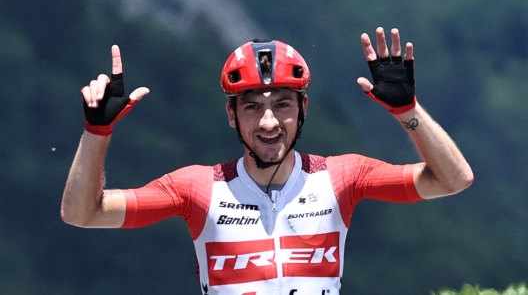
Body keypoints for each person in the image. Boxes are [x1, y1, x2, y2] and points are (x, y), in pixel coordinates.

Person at [61, 27, 473, 294]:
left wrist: (407, 111)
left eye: (282, 104)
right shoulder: (197, 188)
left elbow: (454, 179)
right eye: (253, 107)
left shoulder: (342, 177)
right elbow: (83, 213)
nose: (270, 121)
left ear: (304, 108)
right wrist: (97, 132)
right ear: (231, 115)